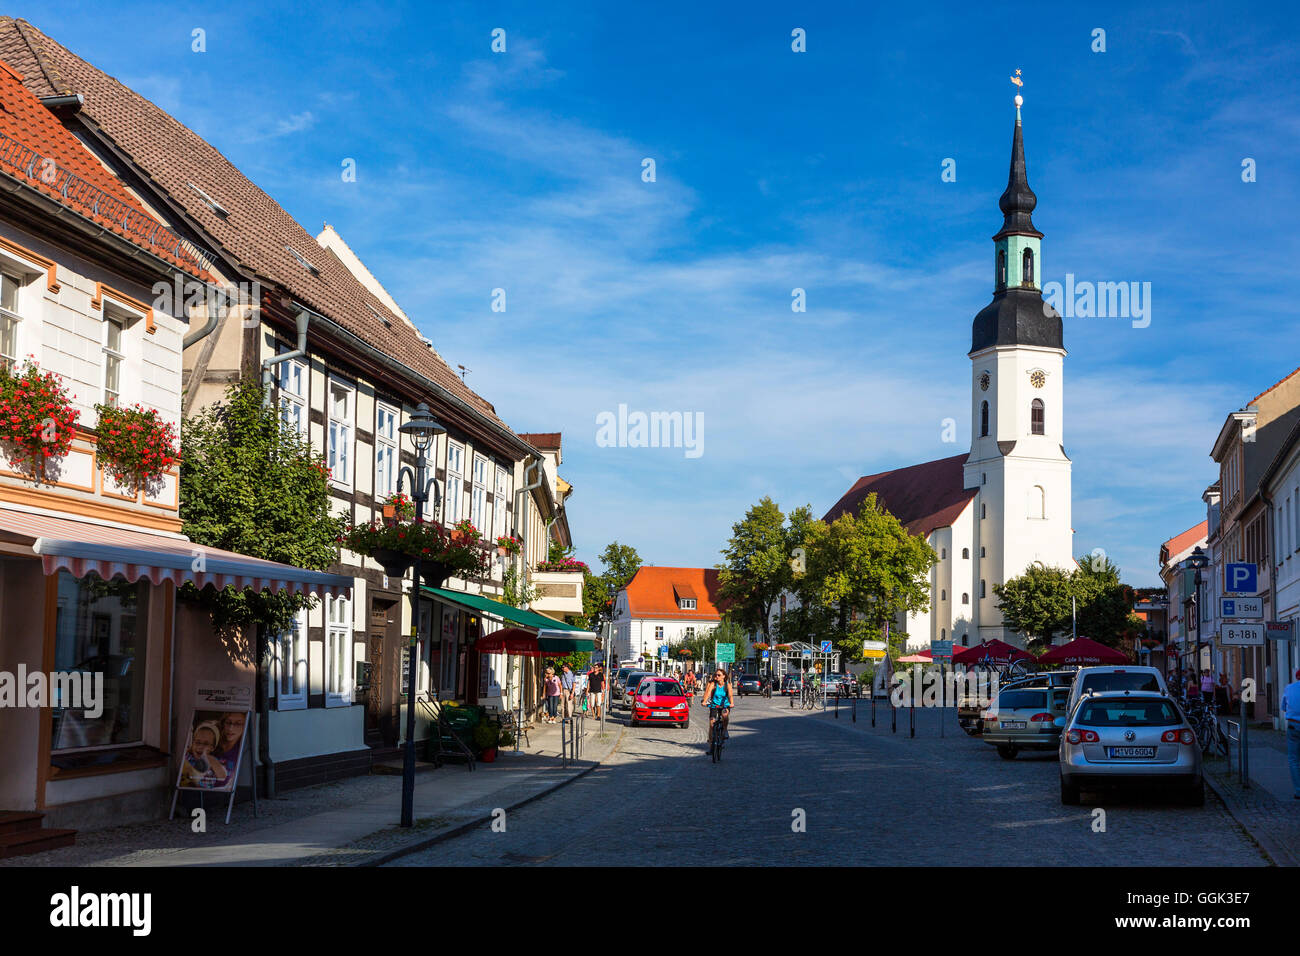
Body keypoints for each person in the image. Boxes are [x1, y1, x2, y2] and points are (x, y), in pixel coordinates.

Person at [180, 721, 228, 789]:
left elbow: (223, 776)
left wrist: (209, 759)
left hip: (205, 794)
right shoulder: (188, 756)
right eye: (197, 742)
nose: (200, 746)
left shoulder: (214, 761)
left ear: (212, 748)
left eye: (206, 744)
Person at [700, 668, 734, 751]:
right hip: (714, 705)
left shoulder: (727, 685)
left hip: (725, 705)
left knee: (725, 715)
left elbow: (730, 695)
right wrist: (704, 701)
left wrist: (731, 703)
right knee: (712, 723)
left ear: (724, 676)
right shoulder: (713, 684)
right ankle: (711, 745)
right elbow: (708, 693)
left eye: (719, 675)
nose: (717, 676)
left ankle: (725, 730)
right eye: (716, 675)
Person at [1284, 667, 1300, 800]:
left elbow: (1283, 707)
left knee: (1294, 759)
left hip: (1293, 725)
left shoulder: (1289, 688)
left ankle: (1299, 791)